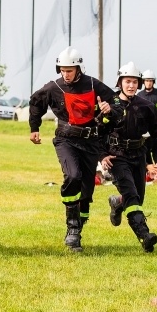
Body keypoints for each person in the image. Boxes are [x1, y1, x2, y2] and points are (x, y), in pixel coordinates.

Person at [28, 47, 116, 252]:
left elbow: (116, 101)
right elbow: (36, 102)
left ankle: (78, 227)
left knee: (86, 191)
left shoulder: (94, 84)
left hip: (90, 142)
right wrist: (34, 128)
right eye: (62, 70)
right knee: (73, 176)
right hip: (65, 140)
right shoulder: (54, 87)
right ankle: (72, 228)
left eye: (69, 70)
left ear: (78, 68)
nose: (65, 74)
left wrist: (109, 108)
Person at [103, 62, 157, 253]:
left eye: (135, 82)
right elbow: (99, 131)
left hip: (138, 155)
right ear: (120, 82)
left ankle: (118, 202)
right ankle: (144, 236)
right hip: (116, 156)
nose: (131, 85)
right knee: (132, 196)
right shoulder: (110, 105)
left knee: (137, 199)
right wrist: (102, 155)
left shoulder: (146, 105)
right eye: (127, 81)